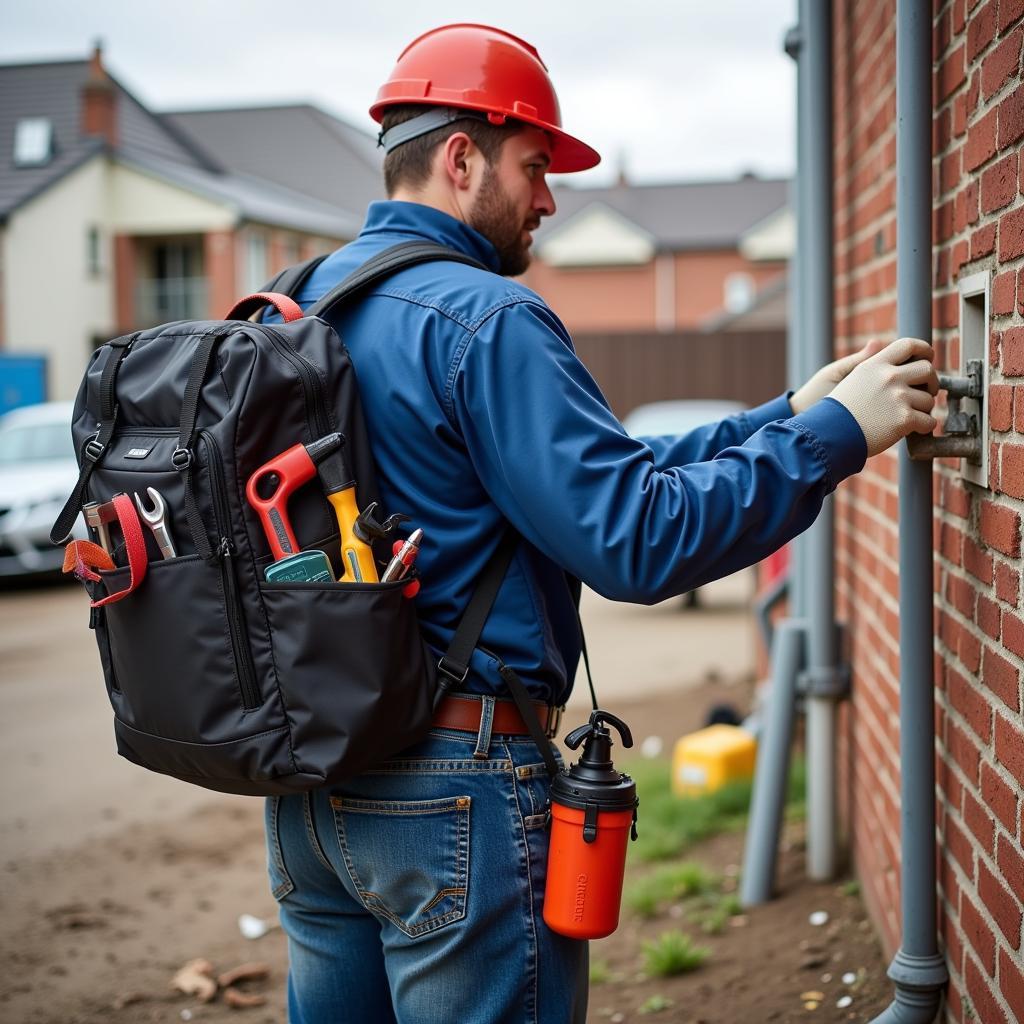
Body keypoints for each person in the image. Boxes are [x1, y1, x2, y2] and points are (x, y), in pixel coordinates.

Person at [263, 23, 939, 1024]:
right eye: (535, 166)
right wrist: (832, 440)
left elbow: (595, 480)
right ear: (461, 158)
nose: (547, 199)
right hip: (454, 789)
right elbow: (635, 538)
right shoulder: (484, 317)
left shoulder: (299, 306)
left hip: (310, 790)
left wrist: (784, 415)